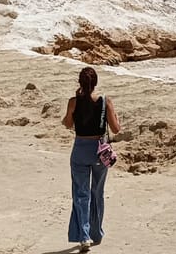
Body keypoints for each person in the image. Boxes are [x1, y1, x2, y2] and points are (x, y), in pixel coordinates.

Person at [62, 67, 121, 252]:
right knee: (97, 192)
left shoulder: (74, 102)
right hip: (99, 151)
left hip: (80, 149)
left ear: (79, 82)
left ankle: (84, 236)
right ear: (95, 82)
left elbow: (68, 124)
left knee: (81, 194)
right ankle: (96, 233)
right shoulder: (105, 101)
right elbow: (116, 128)